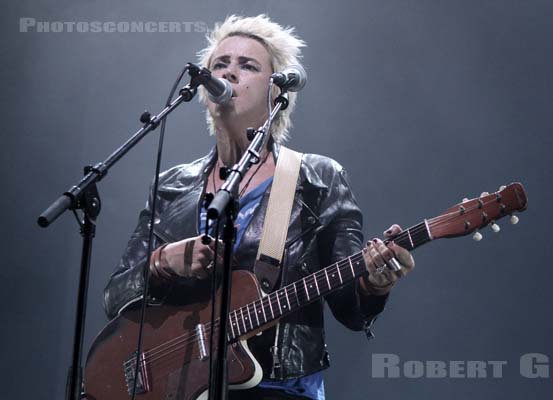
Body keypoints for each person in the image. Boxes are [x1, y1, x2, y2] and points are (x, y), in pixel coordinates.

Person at [103, 15, 415, 400]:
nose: (229, 73)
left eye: (247, 66)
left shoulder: (316, 178)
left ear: (276, 91)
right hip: (181, 388)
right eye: (220, 64)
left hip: (278, 389)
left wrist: (374, 285)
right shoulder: (170, 186)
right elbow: (115, 298)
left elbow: (349, 308)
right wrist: (162, 262)